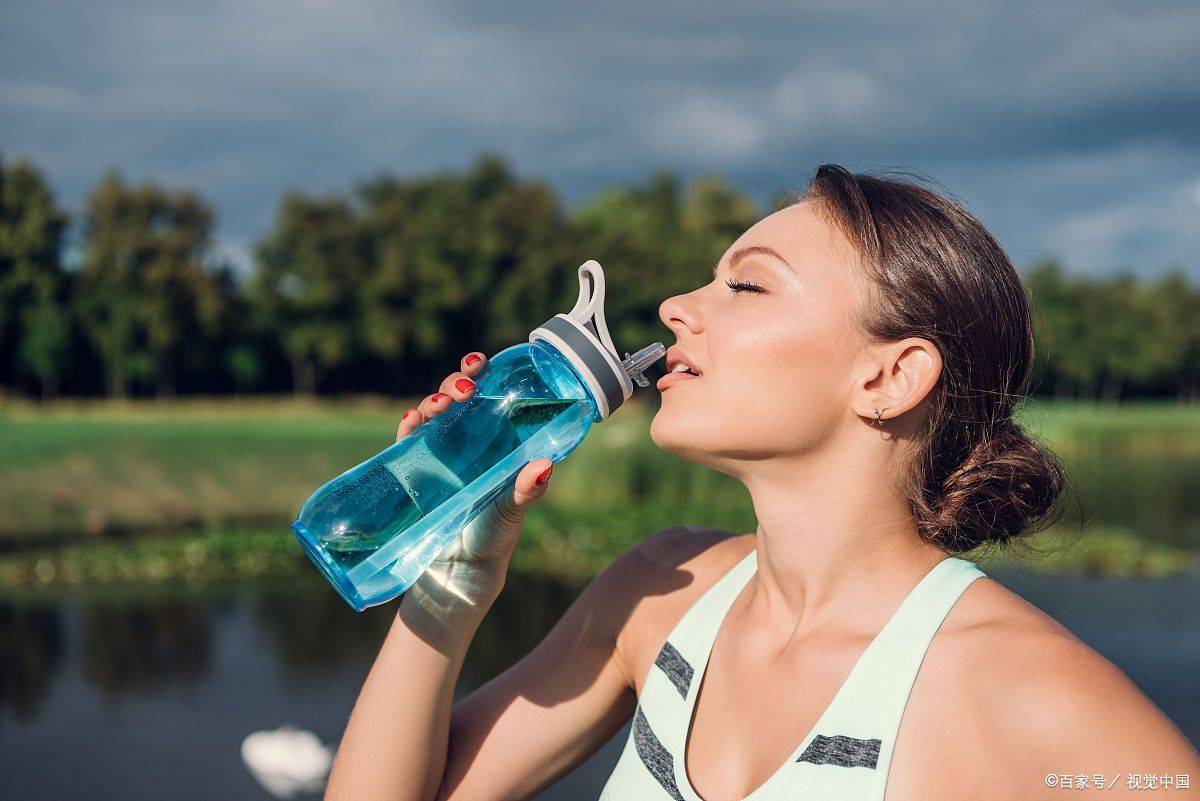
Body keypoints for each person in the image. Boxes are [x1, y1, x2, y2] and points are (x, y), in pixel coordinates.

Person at [324, 165, 1200, 801]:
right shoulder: (657, 595)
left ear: (890, 377)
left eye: (746, 284)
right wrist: (450, 587)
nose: (677, 305)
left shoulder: (1032, 694)